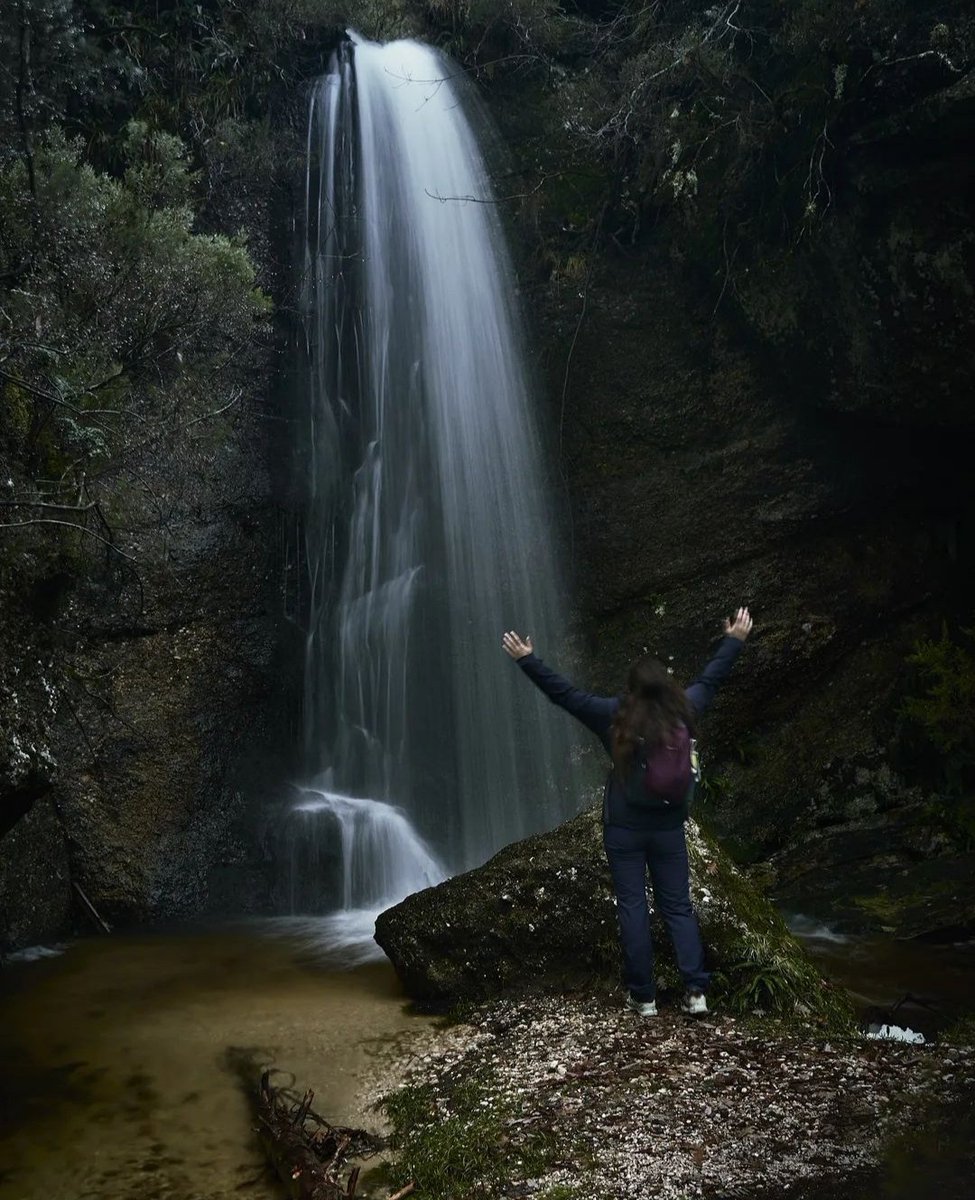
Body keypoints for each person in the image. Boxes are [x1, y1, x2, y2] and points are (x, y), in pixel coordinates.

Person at [502, 608, 753, 1017]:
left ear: (632, 690)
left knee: (633, 906)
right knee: (677, 907)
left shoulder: (613, 716)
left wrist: (527, 659)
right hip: (669, 827)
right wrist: (735, 639)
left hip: (624, 827)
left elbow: (563, 694)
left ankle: (644, 997)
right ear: (668, 687)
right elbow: (713, 678)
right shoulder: (686, 709)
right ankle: (695, 993)